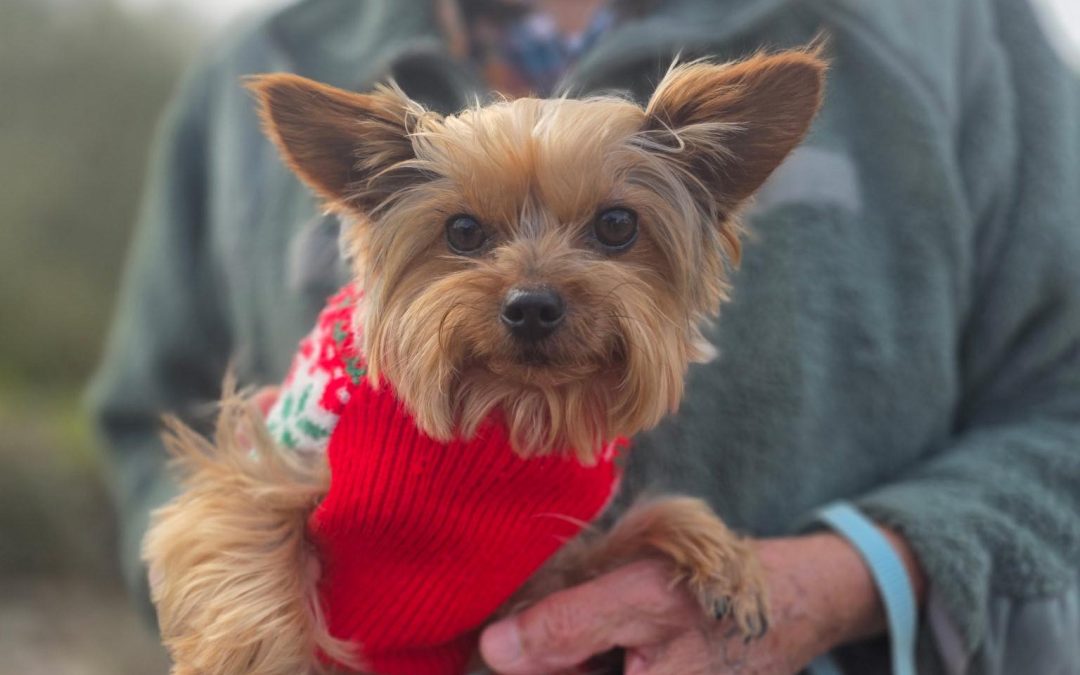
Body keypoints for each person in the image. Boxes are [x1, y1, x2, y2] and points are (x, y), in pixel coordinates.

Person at [88, 0, 1080, 673]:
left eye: (613, 229)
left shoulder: (948, 32)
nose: (529, 292)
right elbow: (155, 428)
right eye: (466, 235)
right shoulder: (265, 59)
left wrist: (854, 574)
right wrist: (238, 621)